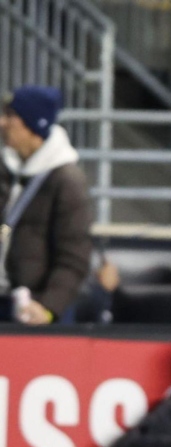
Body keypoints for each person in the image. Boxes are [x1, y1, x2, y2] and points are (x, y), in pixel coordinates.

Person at [0, 86, 92, 324]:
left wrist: (48, 307)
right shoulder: (9, 170)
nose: (2, 122)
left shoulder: (66, 181)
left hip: (33, 309)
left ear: (34, 125)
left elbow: (74, 257)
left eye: (11, 116)